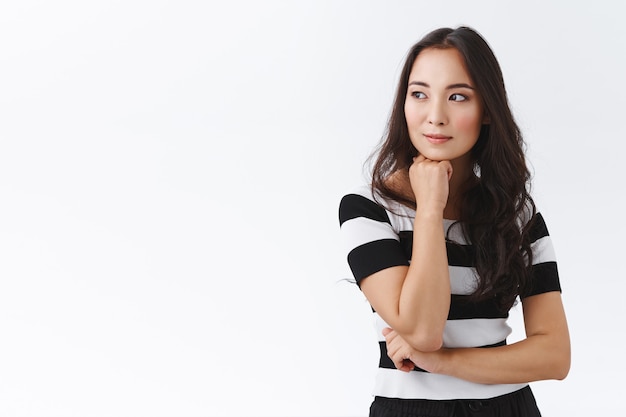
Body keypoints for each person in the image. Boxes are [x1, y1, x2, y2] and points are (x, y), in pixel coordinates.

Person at [338, 26, 570, 417]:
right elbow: (422, 330)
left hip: (508, 409)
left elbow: (555, 355)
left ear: (487, 112)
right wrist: (430, 206)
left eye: (458, 96)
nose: (435, 116)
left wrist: (446, 362)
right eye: (419, 94)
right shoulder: (368, 208)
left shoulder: (518, 216)